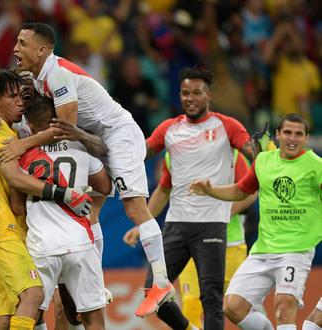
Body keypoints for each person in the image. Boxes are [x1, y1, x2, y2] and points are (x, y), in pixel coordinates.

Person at [9, 21, 173, 317]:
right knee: (91, 209)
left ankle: (160, 284)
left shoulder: (58, 74)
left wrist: (22, 145)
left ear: (43, 49)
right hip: (96, 138)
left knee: (135, 208)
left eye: (22, 43)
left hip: (117, 134)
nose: (15, 48)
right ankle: (97, 284)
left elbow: (65, 127)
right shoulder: (40, 78)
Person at [135, 66, 258, 330]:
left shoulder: (227, 126)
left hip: (212, 225)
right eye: (185, 93)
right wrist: (116, 144)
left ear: (208, 95)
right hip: (176, 225)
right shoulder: (169, 129)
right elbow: (141, 154)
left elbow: (254, 155)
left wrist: (263, 158)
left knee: (211, 298)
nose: (190, 98)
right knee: (152, 292)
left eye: (196, 93)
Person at [0, 69, 94, 330]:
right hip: (2, 231)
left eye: (21, 96)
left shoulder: (3, 133)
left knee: (5, 318)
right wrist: (64, 193)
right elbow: (15, 179)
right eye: (12, 96)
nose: (20, 102)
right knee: (33, 295)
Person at [190, 113, 321, 330]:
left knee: (284, 305)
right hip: (263, 250)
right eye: (287, 132)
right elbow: (241, 190)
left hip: (296, 250)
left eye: (299, 134)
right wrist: (210, 190)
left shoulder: (316, 165)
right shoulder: (263, 161)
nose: (292, 138)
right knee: (233, 307)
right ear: (278, 135)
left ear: (306, 138)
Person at [125, 148, 257, 329]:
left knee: (237, 307)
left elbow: (250, 191)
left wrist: (221, 215)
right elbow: (164, 189)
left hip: (230, 244)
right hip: (189, 240)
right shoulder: (174, 151)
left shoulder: (232, 153)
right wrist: (142, 223)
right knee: (191, 304)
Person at [11, 96, 111, 330]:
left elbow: (16, 207)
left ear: (32, 126)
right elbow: (105, 186)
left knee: (31, 311)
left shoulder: (24, 155)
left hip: (42, 245)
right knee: (92, 317)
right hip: (80, 243)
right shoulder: (79, 148)